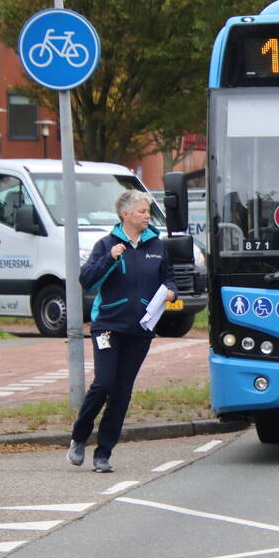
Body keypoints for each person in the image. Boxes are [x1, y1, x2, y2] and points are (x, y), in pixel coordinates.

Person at [67, 190, 177, 473]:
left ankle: (103, 453)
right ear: (125, 215)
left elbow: (169, 278)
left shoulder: (157, 245)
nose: (146, 216)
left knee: (122, 392)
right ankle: (79, 437)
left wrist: (172, 292)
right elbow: (87, 280)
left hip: (140, 329)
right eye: (141, 211)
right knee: (104, 384)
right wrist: (110, 258)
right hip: (108, 327)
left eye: (148, 211)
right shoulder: (107, 244)